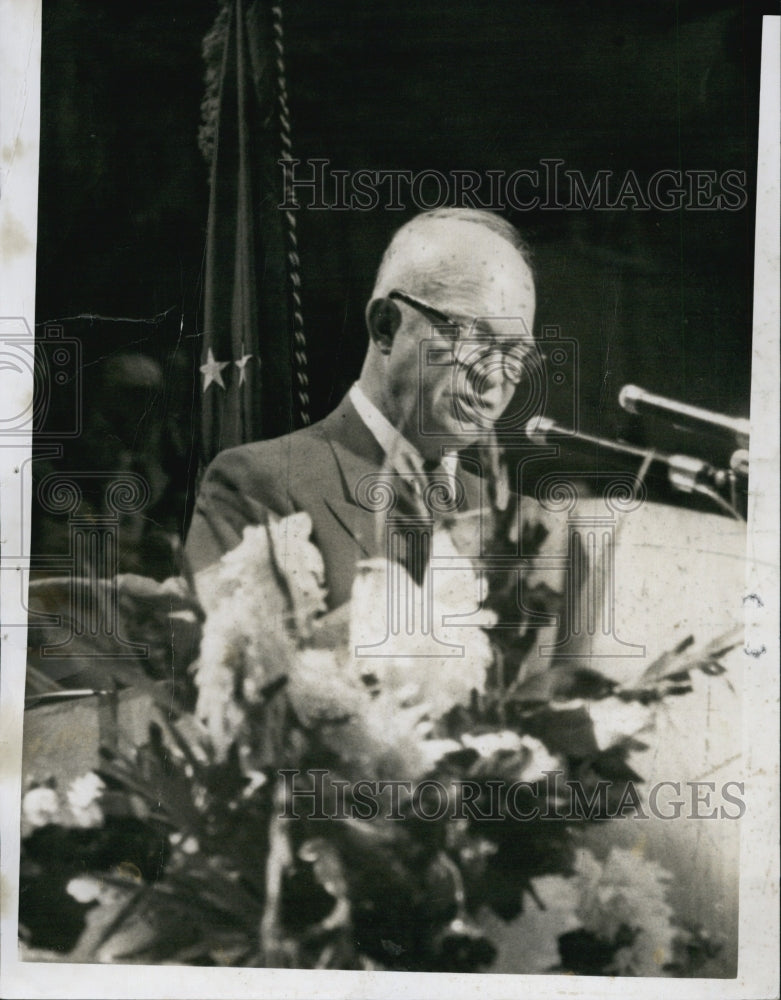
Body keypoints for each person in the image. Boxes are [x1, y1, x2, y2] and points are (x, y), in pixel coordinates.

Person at [185, 208, 537, 609]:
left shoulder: (509, 519)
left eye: (515, 353)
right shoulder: (260, 486)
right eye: (474, 339)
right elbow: (233, 665)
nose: (493, 376)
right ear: (386, 326)